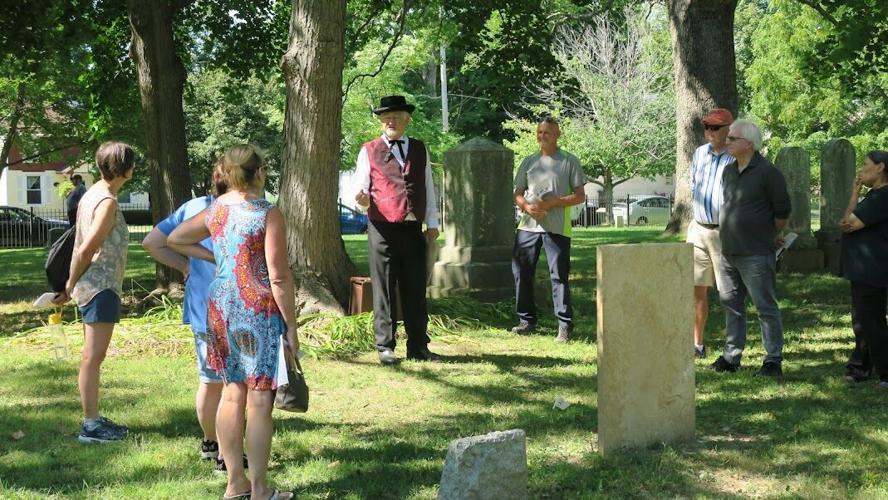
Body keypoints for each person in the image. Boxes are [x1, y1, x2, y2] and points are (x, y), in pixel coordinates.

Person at [168, 144, 295, 500]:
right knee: (258, 401)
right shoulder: (268, 213)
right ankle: (259, 491)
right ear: (259, 173)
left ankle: (233, 483)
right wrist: (293, 327)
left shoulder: (216, 210)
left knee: (230, 392)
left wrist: (216, 257)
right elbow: (279, 277)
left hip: (221, 306)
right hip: (258, 308)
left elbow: (175, 238)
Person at [142, 159, 236, 471]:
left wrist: (185, 265)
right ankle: (225, 453)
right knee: (229, 385)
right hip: (229, 308)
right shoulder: (240, 210)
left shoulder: (194, 207)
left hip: (202, 307)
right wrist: (189, 264)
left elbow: (152, 242)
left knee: (211, 382)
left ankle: (211, 442)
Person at [52, 142, 135, 443]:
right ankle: (90, 425)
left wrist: (73, 284)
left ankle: (93, 418)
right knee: (92, 357)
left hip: (95, 285)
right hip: (99, 286)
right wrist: (69, 284)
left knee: (91, 356)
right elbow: (87, 249)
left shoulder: (93, 194)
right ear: (126, 169)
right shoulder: (107, 202)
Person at [353, 95, 440, 365]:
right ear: (381, 120)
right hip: (381, 227)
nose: (391, 121)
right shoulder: (368, 150)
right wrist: (361, 201)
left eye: (396, 117)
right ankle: (385, 346)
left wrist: (433, 222)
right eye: (386, 117)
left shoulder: (419, 148)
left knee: (415, 287)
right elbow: (360, 189)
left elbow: (428, 186)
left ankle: (418, 345)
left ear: (406, 120)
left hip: (413, 225)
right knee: (385, 289)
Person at [710, 120, 791, 377]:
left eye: (732, 139)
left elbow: (782, 211)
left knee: (765, 306)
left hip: (756, 251)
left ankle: (772, 360)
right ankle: (731, 357)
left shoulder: (768, 172)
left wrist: (772, 233)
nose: (727, 141)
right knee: (731, 304)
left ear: (749, 144)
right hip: (728, 250)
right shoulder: (729, 171)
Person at [511, 116, 585, 342]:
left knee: (559, 276)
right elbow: (517, 193)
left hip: (557, 228)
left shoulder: (569, 161)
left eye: (547, 133)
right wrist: (526, 206)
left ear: (557, 135)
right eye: (540, 132)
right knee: (521, 271)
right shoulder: (529, 161)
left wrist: (554, 202)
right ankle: (526, 320)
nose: (542, 136)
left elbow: (580, 196)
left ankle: (564, 325)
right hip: (528, 227)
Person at [687, 108, 735, 358]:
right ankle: (698, 345)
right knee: (696, 289)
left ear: (729, 129)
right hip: (698, 229)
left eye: (715, 128)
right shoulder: (698, 154)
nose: (709, 132)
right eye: (707, 127)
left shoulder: (736, 156)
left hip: (723, 233)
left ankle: (732, 348)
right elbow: (694, 185)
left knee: (728, 293)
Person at [839, 150, 888, 388]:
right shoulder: (873, 195)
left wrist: (855, 194)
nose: (861, 169)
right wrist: (856, 193)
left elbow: (848, 224)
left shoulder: (882, 197)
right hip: (863, 269)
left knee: (871, 321)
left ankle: (885, 372)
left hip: (873, 268)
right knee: (863, 320)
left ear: (880, 168)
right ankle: (861, 366)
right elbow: (845, 222)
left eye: (866, 164)